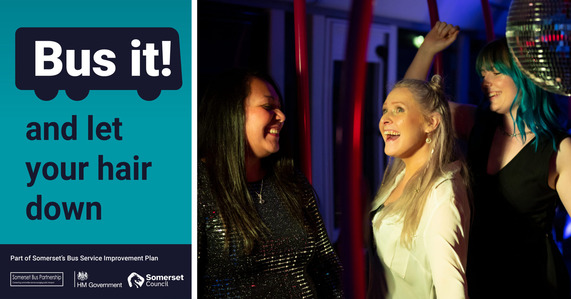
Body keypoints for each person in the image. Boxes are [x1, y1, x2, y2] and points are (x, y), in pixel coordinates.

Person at [405, 21, 571, 298]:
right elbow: (413, 105)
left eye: (495, 72)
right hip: (476, 271)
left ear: (526, 75)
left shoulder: (559, 149)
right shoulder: (477, 123)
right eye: (482, 74)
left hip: (534, 280)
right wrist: (429, 49)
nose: (485, 82)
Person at [197, 69, 344, 298]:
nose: (281, 116)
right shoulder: (196, 188)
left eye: (279, 107)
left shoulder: (290, 181)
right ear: (230, 113)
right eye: (268, 107)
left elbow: (325, 267)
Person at [369, 75, 471, 298]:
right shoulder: (396, 177)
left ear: (431, 123)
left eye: (399, 110)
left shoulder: (442, 193)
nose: (385, 119)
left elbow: (451, 288)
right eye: (385, 110)